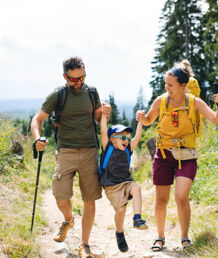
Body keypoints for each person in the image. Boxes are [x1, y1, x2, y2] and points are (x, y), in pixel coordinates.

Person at [136, 60, 218, 251]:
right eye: (166, 84)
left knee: (181, 197)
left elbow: (216, 120)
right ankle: (160, 237)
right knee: (161, 200)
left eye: (171, 85)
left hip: (186, 156)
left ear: (183, 86)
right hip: (164, 155)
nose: (167, 88)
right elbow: (149, 121)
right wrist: (142, 118)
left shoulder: (195, 102)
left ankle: (184, 237)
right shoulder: (161, 101)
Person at [31, 56, 111, 258]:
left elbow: (98, 117)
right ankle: (68, 219)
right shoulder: (57, 95)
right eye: (73, 79)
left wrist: (105, 115)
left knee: (89, 199)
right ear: (64, 76)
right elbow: (37, 119)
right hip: (65, 150)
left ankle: (85, 244)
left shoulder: (91, 92)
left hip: (89, 151)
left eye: (81, 77)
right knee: (60, 194)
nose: (78, 82)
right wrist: (38, 137)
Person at [99, 110, 148, 253]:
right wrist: (103, 116)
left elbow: (137, 138)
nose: (126, 141)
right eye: (122, 137)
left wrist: (140, 122)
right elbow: (103, 132)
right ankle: (119, 233)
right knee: (121, 210)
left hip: (126, 182)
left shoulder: (127, 150)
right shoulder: (107, 148)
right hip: (112, 186)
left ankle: (137, 219)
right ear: (113, 139)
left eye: (127, 138)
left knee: (136, 188)